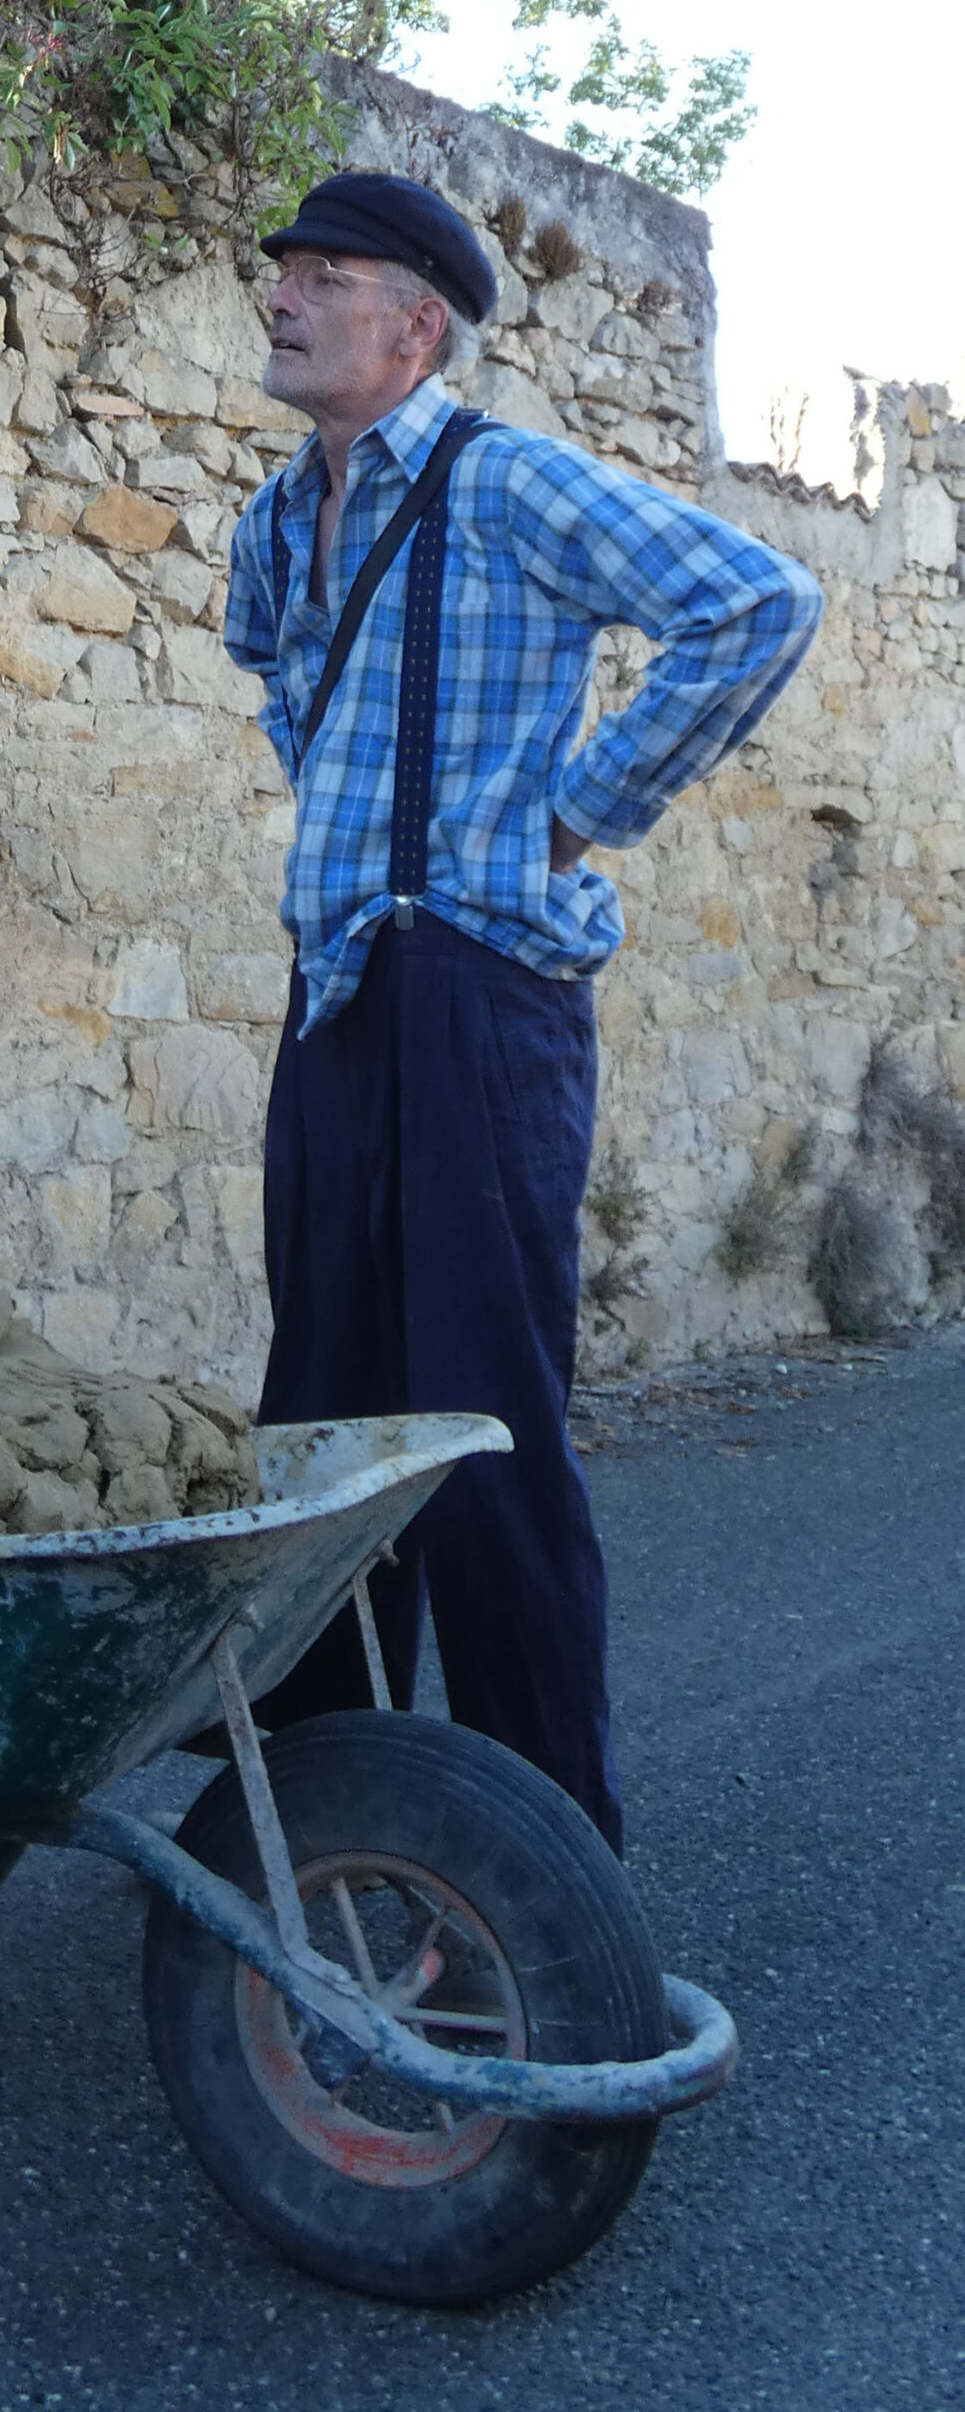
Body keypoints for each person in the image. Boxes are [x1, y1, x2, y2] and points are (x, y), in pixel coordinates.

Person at [222, 171, 822, 1851]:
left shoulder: (502, 485)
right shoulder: (275, 518)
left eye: (321, 278)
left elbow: (756, 600)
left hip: (484, 996)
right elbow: (273, 667)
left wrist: (575, 811)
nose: (280, 298)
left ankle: (539, 1840)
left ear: (415, 325)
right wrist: (349, 806)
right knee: (327, 1417)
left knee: (481, 1424)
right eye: (280, 275)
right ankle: (322, 1817)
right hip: (336, 983)